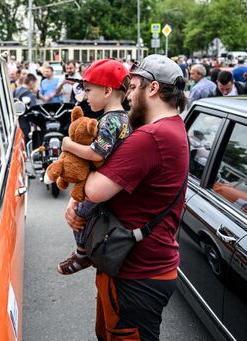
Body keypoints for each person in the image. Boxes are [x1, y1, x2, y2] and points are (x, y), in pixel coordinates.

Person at [64, 54, 188, 341]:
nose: (128, 97)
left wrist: (77, 193)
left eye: (133, 87)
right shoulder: (171, 127)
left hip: (135, 273)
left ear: (153, 89)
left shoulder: (150, 137)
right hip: (140, 266)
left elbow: (95, 189)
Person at [56, 58, 132, 275]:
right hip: (108, 180)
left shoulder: (110, 121)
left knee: (80, 212)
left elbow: (96, 152)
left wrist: (68, 145)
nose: (85, 96)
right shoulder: (123, 118)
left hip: (104, 182)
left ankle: (82, 253)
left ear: (107, 91)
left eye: (88, 90)